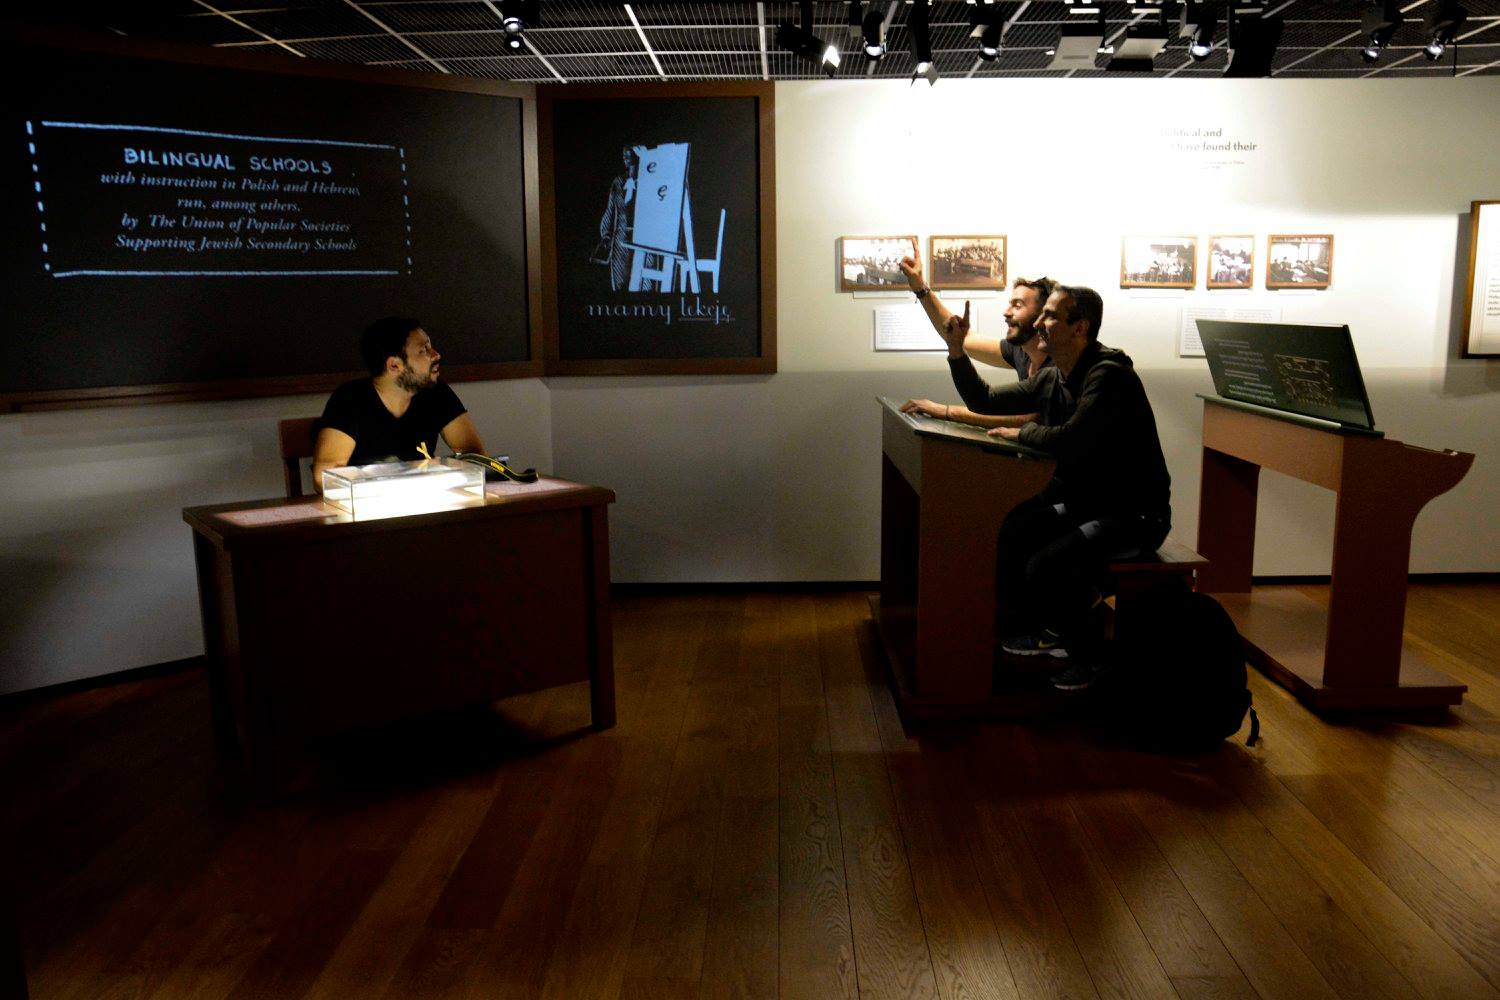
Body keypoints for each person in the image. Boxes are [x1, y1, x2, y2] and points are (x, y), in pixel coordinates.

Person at [978, 285, 1172, 691]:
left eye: (1049, 315)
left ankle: (1093, 660)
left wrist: (1023, 433)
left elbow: (1070, 438)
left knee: (1046, 564)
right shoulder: (1056, 375)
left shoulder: (1109, 375)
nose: (1038, 322)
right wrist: (956, 352)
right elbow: (985, 399)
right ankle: (1049, 630)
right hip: (1089, 505)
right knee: (1014, 530)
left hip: (1134, 516)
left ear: (1079, 327)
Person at [311, 316, 486, 490]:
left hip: (427, 498)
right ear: (394, 365)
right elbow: (323, 477)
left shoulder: (435, 392)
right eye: (424, 350)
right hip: (368, 502)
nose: (436, 355)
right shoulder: (350, 399)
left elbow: (475, 456)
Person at [898, 261, 1056, 430]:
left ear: (1043, 315)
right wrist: (921, 289)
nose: (1006, 312)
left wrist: (946, 411)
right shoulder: (1020, 351)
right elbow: (965, 339)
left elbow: (1030, 419)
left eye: (1017, 305)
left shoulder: (1059, 364)